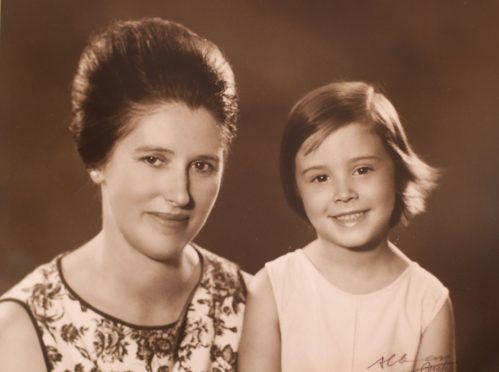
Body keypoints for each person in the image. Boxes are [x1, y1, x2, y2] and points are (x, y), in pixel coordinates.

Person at [0, 17, 249, 372]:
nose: (180, 194)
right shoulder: (22, 332)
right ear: (98, 158)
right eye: (154, 159)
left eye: (202, 166)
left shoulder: (254, 308)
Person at [239, 81, 456, 372]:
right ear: (297, 189)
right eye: (320, 178)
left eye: (362, 170)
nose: (344, 193)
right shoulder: (272, 290)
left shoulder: (428, 302)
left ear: (398, 171)